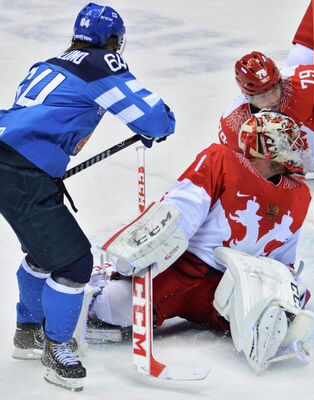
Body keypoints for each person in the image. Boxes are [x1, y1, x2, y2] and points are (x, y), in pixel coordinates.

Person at [1, 3, 175, 392]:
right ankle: (57, 348)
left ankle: (28, 333)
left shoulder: (47, 63)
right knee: (75, 263)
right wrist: (161, 124)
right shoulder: (101, 64)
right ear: (113, 40)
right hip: (23, 174)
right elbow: (152, 117)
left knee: (44, 255)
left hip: (14, 166)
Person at [85, 111, 314, 373]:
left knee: (278, 318)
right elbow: (181, 208)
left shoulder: (298, 195)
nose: (296, 149)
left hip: (233, 284)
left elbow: (283, 257)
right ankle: (96, 287)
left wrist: (284, 287)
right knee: (115, 307)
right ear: (268, 148)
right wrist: (147, 247)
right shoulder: (221, 160)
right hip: (181, 268)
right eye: (288, 142)